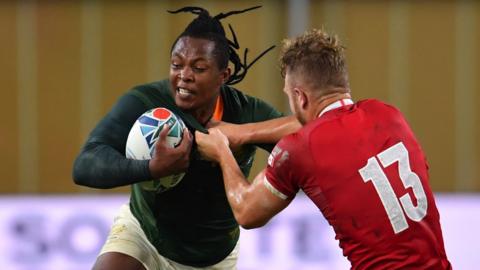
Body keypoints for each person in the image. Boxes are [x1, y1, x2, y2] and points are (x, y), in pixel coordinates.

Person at [196, 28, 452, 269]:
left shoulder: (299, 150)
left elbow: (246, 211)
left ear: (300, 97)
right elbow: (316, 125)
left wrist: (221, 151)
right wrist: (243, 133)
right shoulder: (387, 114)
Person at [73, 6, 299, 270]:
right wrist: (150, 169)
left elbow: (307, 132)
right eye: (176, 65)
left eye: (199, 67)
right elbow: (85, 164)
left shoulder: (246, 111)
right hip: (143, 235)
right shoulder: (146, 101)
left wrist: (241, 133)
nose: (184, 75)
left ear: (223, 76)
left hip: (211, 259)